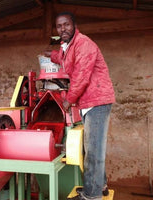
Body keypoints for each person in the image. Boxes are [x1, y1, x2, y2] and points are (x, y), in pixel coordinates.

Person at [44, 12, 115, 200]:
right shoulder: (68, 46)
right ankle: (101, 186)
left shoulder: (83, 43)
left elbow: (82, 75)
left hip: (97, 101)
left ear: (74, 25)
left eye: (66, 25)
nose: (63, 29)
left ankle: (91, 196)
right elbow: (63, 58)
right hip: (89, 102)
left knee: (93, 150)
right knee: (93, 148)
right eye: (59, 26)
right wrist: (51, 56)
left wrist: (67, 101)